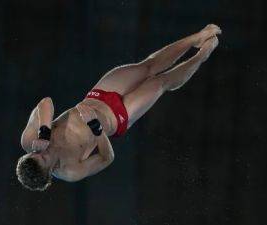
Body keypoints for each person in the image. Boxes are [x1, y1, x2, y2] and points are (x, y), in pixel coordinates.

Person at [16, 24, 222, 191]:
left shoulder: (30, 140)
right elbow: (107, 158)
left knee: (148, 66)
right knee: (159, 83)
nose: (41, 151)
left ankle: (195, 38)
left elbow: (45, 103)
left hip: (98, 95)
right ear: (49, 171)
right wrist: (96, 129)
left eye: (34, 153)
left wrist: (44, 132)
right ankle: (200, 57)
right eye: (43, 158)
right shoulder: (71, 171)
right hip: (117, 117)